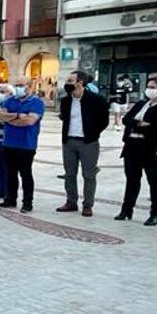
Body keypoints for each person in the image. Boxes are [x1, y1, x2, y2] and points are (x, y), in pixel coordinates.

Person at [116, 77, 157, 226]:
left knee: (156, 183)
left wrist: (145, 126)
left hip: (151, 149)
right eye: (148, 86)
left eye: (153, 87)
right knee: (132, 180)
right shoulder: (142, 104)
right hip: (132, 147)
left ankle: (155, 213)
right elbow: (126, 120)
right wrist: (139, 123)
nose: (149, 90)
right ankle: (126, 209)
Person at [57, 70, 110, 217]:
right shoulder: (66, 100)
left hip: (88, 142)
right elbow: (64, 117)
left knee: (89, 174)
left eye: (70, 81)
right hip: (69, 141)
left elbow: (104, 121)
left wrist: (93, 133)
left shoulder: (96, 100)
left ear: (80, 82)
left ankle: (88, 204)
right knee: (70, 174)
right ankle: (71, 201)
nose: (67, 84)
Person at [0, 76, 45, 213]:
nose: (18, 87)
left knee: (25, 174)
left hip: (26, 144)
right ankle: (10, 199)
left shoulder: (36, 102)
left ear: (29, 86)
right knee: (10, 173)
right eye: (16, 84)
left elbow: (29, 121)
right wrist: (18, 115)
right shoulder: (10, 100)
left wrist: (9, 118)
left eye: (21, 85)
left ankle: (27, 203)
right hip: (9, 143)